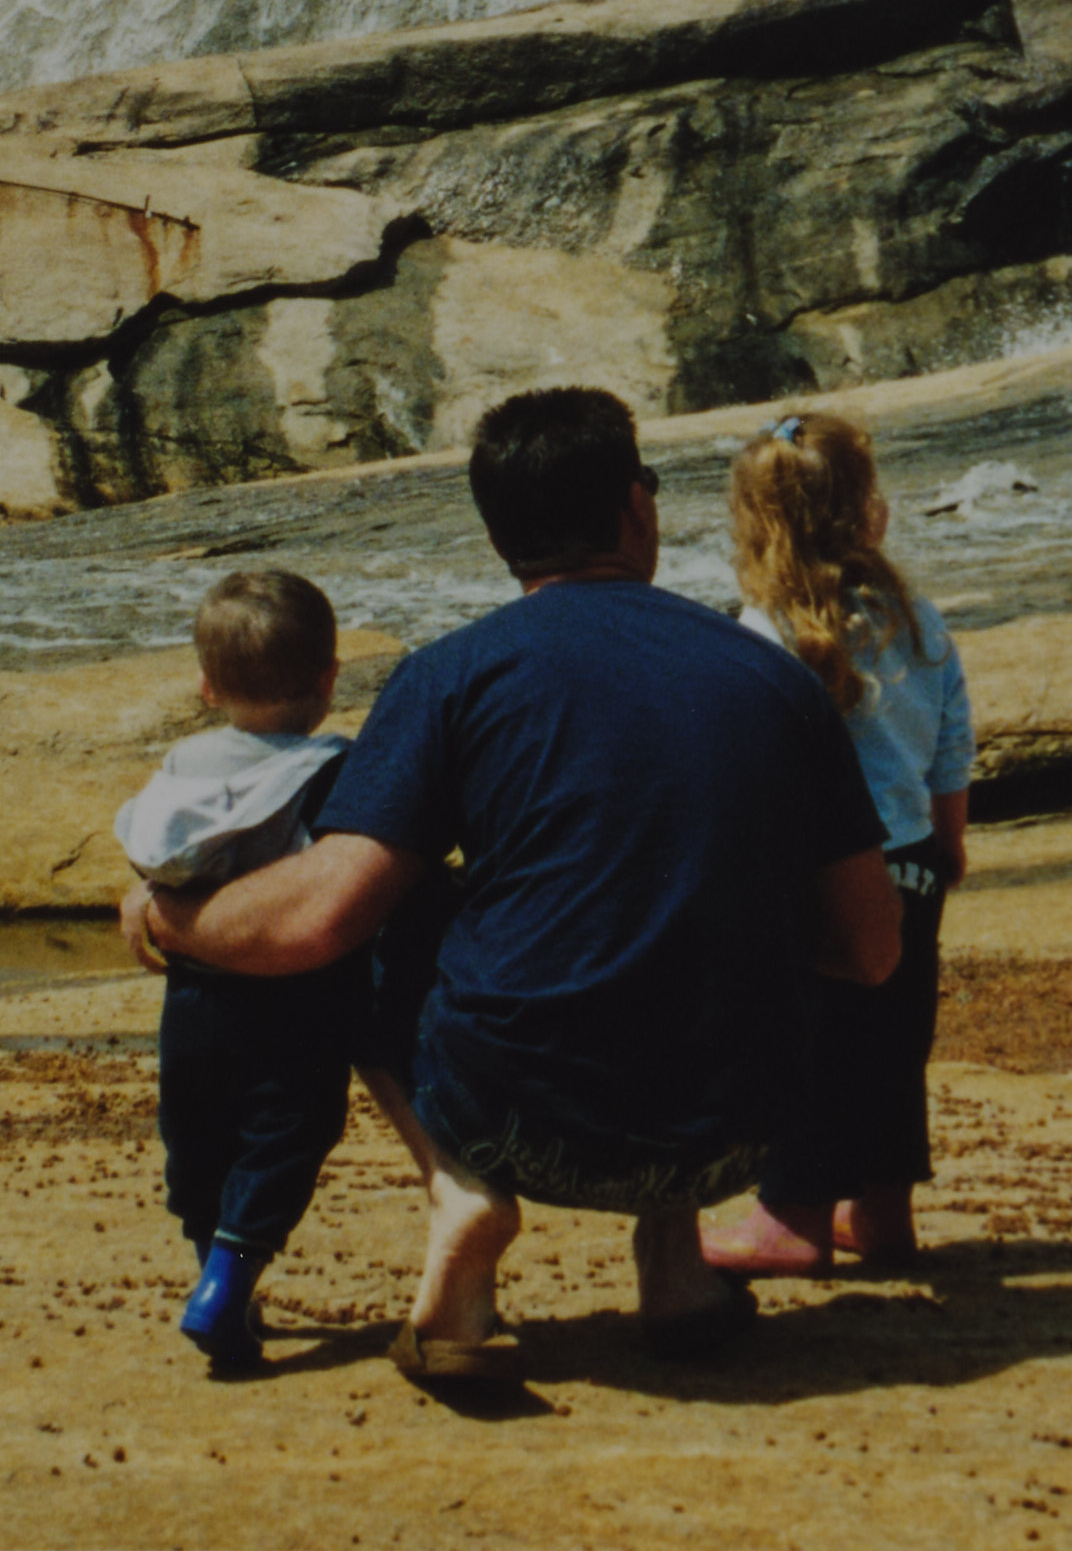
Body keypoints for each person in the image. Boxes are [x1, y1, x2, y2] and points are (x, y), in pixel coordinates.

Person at [119, 384, 898, 1387]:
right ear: (636, 506)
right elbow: (872, 946)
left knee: (410, 901)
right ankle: (675, 1269)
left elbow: (318, 917)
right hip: (737, 1128)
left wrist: (169, 914)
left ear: (499, 536)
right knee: (684, 879)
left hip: (520, 1123)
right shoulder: (774, 677)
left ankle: (458, 1196)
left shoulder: (452, 675)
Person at [703, 408, 974, 1276]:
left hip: (813, 877)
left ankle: (792, 1218)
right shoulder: (920, 622)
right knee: (894, 1042)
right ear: (872, 514)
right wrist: (946, 846)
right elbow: (949, 749)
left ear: (755, 527)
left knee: (808, 1042)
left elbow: (753, 773)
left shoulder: (764, 636)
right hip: (912, 863)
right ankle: (883, 1214)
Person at [111, 568, 365, 1375]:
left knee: (199, 1134)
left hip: (193, 998)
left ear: (206, 686)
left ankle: (214, 1277)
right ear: (328, 677)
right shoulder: (333, 769)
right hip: (298, 998)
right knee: (288, 1131)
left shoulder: (183, 766)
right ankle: (227, 1281)